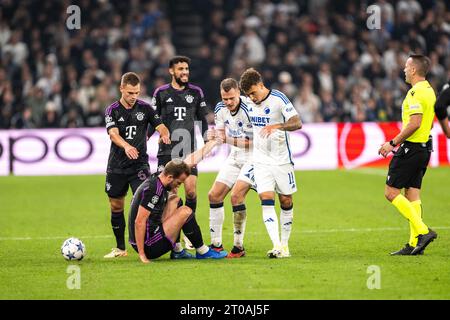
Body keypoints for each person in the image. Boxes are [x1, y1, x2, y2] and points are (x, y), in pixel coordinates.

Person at [104, 72, 170, 258]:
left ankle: (152, 240)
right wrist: (126, 146)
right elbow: (113, 134)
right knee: (116, 206)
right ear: (121, 89)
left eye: (137, 93)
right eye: (130, 93)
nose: (133, 97)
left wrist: (164, 133)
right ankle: (120, 248)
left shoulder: (146, 108)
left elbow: (160, 125)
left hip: (139, 166)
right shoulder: (112, 110)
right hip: (116, 165)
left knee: (144, 201)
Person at [128, 140, 228, 263]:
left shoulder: (162, 176)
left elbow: (190, 161)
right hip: (149, 245)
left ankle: (177, 251)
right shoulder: (153, 189)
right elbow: (139, 221)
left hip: (148, 237)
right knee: (186, 211)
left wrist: (212, 143)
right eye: (178, 183)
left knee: (175, 200)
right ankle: (203, 251)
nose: (178, 186)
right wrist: (143, 255)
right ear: (170, 177)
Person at [239, 68, 302, 258]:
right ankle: (277, 246)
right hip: (261, 161)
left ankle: (285, 244)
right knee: (266, 199)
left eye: (253, 93)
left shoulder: (279, 99)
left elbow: (297, 123)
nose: (251, 98)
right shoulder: (248, 103)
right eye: (248, 95)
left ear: (260, 85)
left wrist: (278, 126)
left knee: (286, 200)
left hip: (282, 160)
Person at [378, 54, 438, 256]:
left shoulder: (415, 93)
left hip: (411, 149)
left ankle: (423, 232)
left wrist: (392, 143)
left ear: (413, 70)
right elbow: (427, 123)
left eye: (406, 66)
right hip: (424, 148)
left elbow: (415, 123)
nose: (404, 69)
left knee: (391, 192)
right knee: (412, 194)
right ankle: (414, 244)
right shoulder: (429, 91)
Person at [151, 56, 210, 257]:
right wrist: (150, 137)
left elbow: (202, 121)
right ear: (171, 71)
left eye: (186, 68)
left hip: (188, 151)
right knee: (172, 197)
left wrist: (207, 140)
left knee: (191, 192)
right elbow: (153, 120)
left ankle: (187, 231)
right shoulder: (161, 93)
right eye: (180, 69)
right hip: (167, 152)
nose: (185, 72)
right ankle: (175, 246)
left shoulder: (196, 92)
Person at [207, 78, 255, 258]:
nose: (228, 102)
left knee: (236, 197)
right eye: (225, 98)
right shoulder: (220, 109)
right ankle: (216, 245)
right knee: (214, 195)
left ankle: (238, 247)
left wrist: (226, 139)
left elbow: (251, 143)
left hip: (252, 157)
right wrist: (215, 136)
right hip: (234, 155)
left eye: (232, 98)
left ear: (239, 93)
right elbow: (220, 133)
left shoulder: (250, 109)